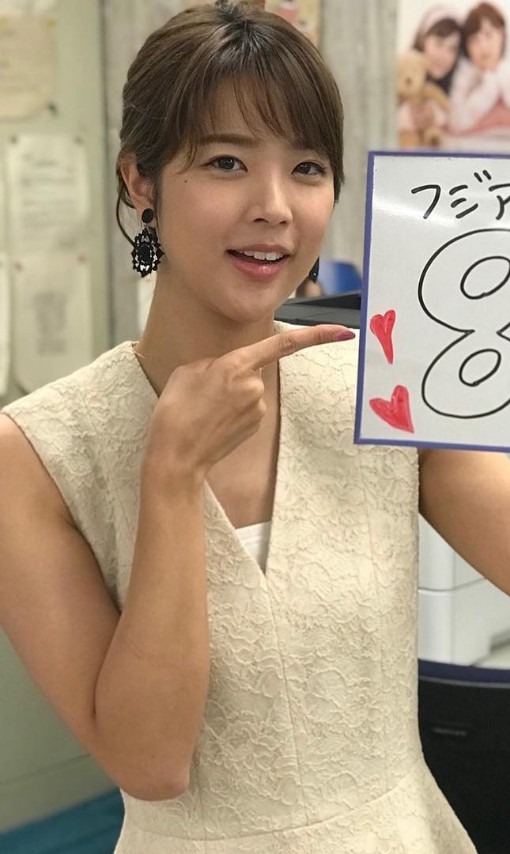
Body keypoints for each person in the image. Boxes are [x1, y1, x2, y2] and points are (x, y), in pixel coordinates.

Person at [0, 1, 506, 851]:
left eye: (307, 167)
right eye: (227, 162)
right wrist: (169, 479)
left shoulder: (381, 383)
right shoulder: (36, 454)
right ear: (140, 180)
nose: (275, 207)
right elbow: (150, 763)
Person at [448, 1, 510, 135]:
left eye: (488, 34)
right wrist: (489, 86)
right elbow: (455, 122)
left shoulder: (507, 69)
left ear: (502, 35)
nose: (483, 46)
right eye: (474, 40)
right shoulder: (464, 74)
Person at [412, 4, 462, 94]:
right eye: (439, 44)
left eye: (452, 49)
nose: (443, 55)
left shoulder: (458, 94)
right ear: (422, 40)